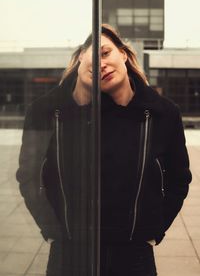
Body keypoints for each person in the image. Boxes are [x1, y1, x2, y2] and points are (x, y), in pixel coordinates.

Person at [16, 24, 192, 276]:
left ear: (123, 54)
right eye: (94, 57)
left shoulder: (162, 112)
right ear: (79, 59)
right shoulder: (46, 111)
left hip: (134, 254)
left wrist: (154, 231)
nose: (102, 64)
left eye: (106, 53)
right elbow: (29, 175)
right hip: (69, 251)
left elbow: (178, 178)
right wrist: (52, 231)